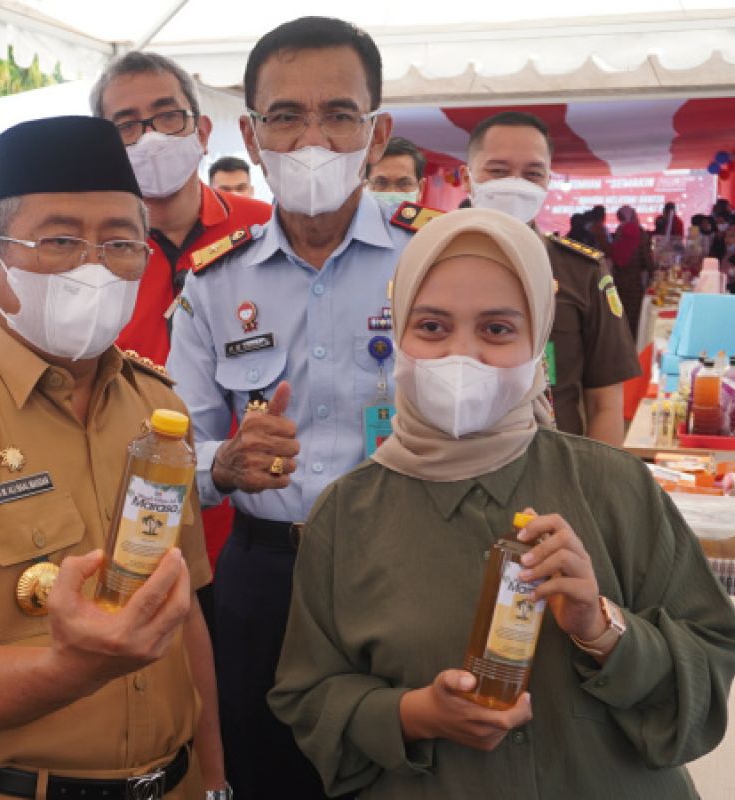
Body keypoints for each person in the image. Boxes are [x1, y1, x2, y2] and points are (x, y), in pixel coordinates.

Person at [270, 207, 735, 799]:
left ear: (539, 343)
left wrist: (603, 629)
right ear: (397, 336)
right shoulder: (347, 515)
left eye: (496, 330)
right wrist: (414, 715)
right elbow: (307, 695)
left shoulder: (615, 486)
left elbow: (710, 661)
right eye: (432, 327)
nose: (460, 356)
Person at [0, 116, 227, 800]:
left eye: (120, 243)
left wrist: (215, 780)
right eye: (60, 240)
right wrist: (74, 665)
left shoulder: (153, 409)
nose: (94, 264)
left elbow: (186, 615)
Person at [167, 17, 427, 800]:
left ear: (376, 134)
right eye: (285, 115)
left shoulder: (434, 258)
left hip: (406, 567)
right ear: (251, 134)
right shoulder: (215, 281)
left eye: (338, 114)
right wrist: (223, 462)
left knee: (405, 769)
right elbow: (170, 447)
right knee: (267, 768)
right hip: (265, 573)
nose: (312, 137)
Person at [461, 111, 640, 446]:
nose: (516, 184)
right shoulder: (427, 264)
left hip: (554, 469)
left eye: (532, 174)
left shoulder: (581, 272)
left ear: (547, 182)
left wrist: (595, 494)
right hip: (451, 469)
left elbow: (604, 404)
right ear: (466, 177)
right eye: (498, 171)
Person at [91, 50, 271, 367]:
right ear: (103, 149)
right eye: (127, 125)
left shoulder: (265, 227)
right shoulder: (91, 254)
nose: (151, 138)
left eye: (168, 116)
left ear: (202, 132)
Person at [611, 205, 650, 338]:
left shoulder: (619, 231)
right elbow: (646, 258)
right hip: (635, 281)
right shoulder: (641, 232)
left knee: (621, 313)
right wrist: (652, 271)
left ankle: (619, 341)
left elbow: (615, 254)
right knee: (634, 316)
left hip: (619, 280)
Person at [366, 136, 427, 207]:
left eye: (404, 184)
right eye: (380, 183)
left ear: (421, 188)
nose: (392, 193)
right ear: (364, 187)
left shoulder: (435, 218)